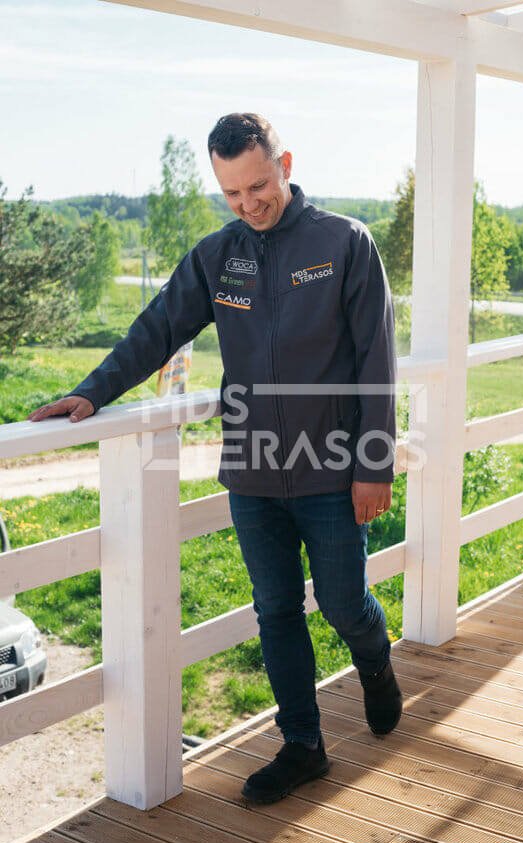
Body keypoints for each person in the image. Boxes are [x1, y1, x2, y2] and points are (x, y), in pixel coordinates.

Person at [28, 113, 402, 805]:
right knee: (276, 609)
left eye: (258, 186)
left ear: (285, 164)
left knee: (344, 604)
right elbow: (157, 328)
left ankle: (375, 662)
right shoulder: (217, 257)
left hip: (330, 468)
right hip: (252, 474)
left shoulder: (344, 243)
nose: (248, 204)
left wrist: (374, 463)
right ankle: (303, 744)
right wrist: (92, 390)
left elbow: (377, 359)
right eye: (231, 193)